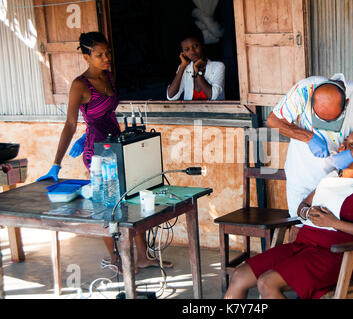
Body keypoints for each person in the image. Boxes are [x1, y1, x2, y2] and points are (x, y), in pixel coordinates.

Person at [36, 32, 172, 271]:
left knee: (132, 199)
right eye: (99, 55)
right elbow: (70, 123)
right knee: (106, 208)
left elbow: (105, 113)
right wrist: (56, 164)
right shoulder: (80, 84)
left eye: (107, 52)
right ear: (86, 56)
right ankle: (116, 259)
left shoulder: (109, 76)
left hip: (118, 145)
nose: (106, 57)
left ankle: (142, 256)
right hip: (97, 153)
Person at [224, 127, 353, 299]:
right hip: (302, 246)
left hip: (332, 255)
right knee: (239, 276)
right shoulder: (331, 178)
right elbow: (302, 205)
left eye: (352, 145)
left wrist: (334, 223)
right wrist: (307, 212)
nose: (343, 147)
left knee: (267, 283)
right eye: (345, 142)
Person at [266, 73, 353, 219]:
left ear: (347, 103)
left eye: (332, 121)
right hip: (301, 175)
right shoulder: (304, 90)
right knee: (299, 226)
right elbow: (273, 120)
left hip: (338, 180)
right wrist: (308, 137)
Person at [167, 30, 225, 101]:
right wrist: (182, 66)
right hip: (191, 111)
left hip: (216, 111)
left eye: (195, 46)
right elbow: (171, 96)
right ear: (183, 54)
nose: (192, 52)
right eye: (187, 49)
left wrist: (197, 70)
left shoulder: (218, 66)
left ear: (202, 45)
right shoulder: (185, 68)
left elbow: (212, 96)